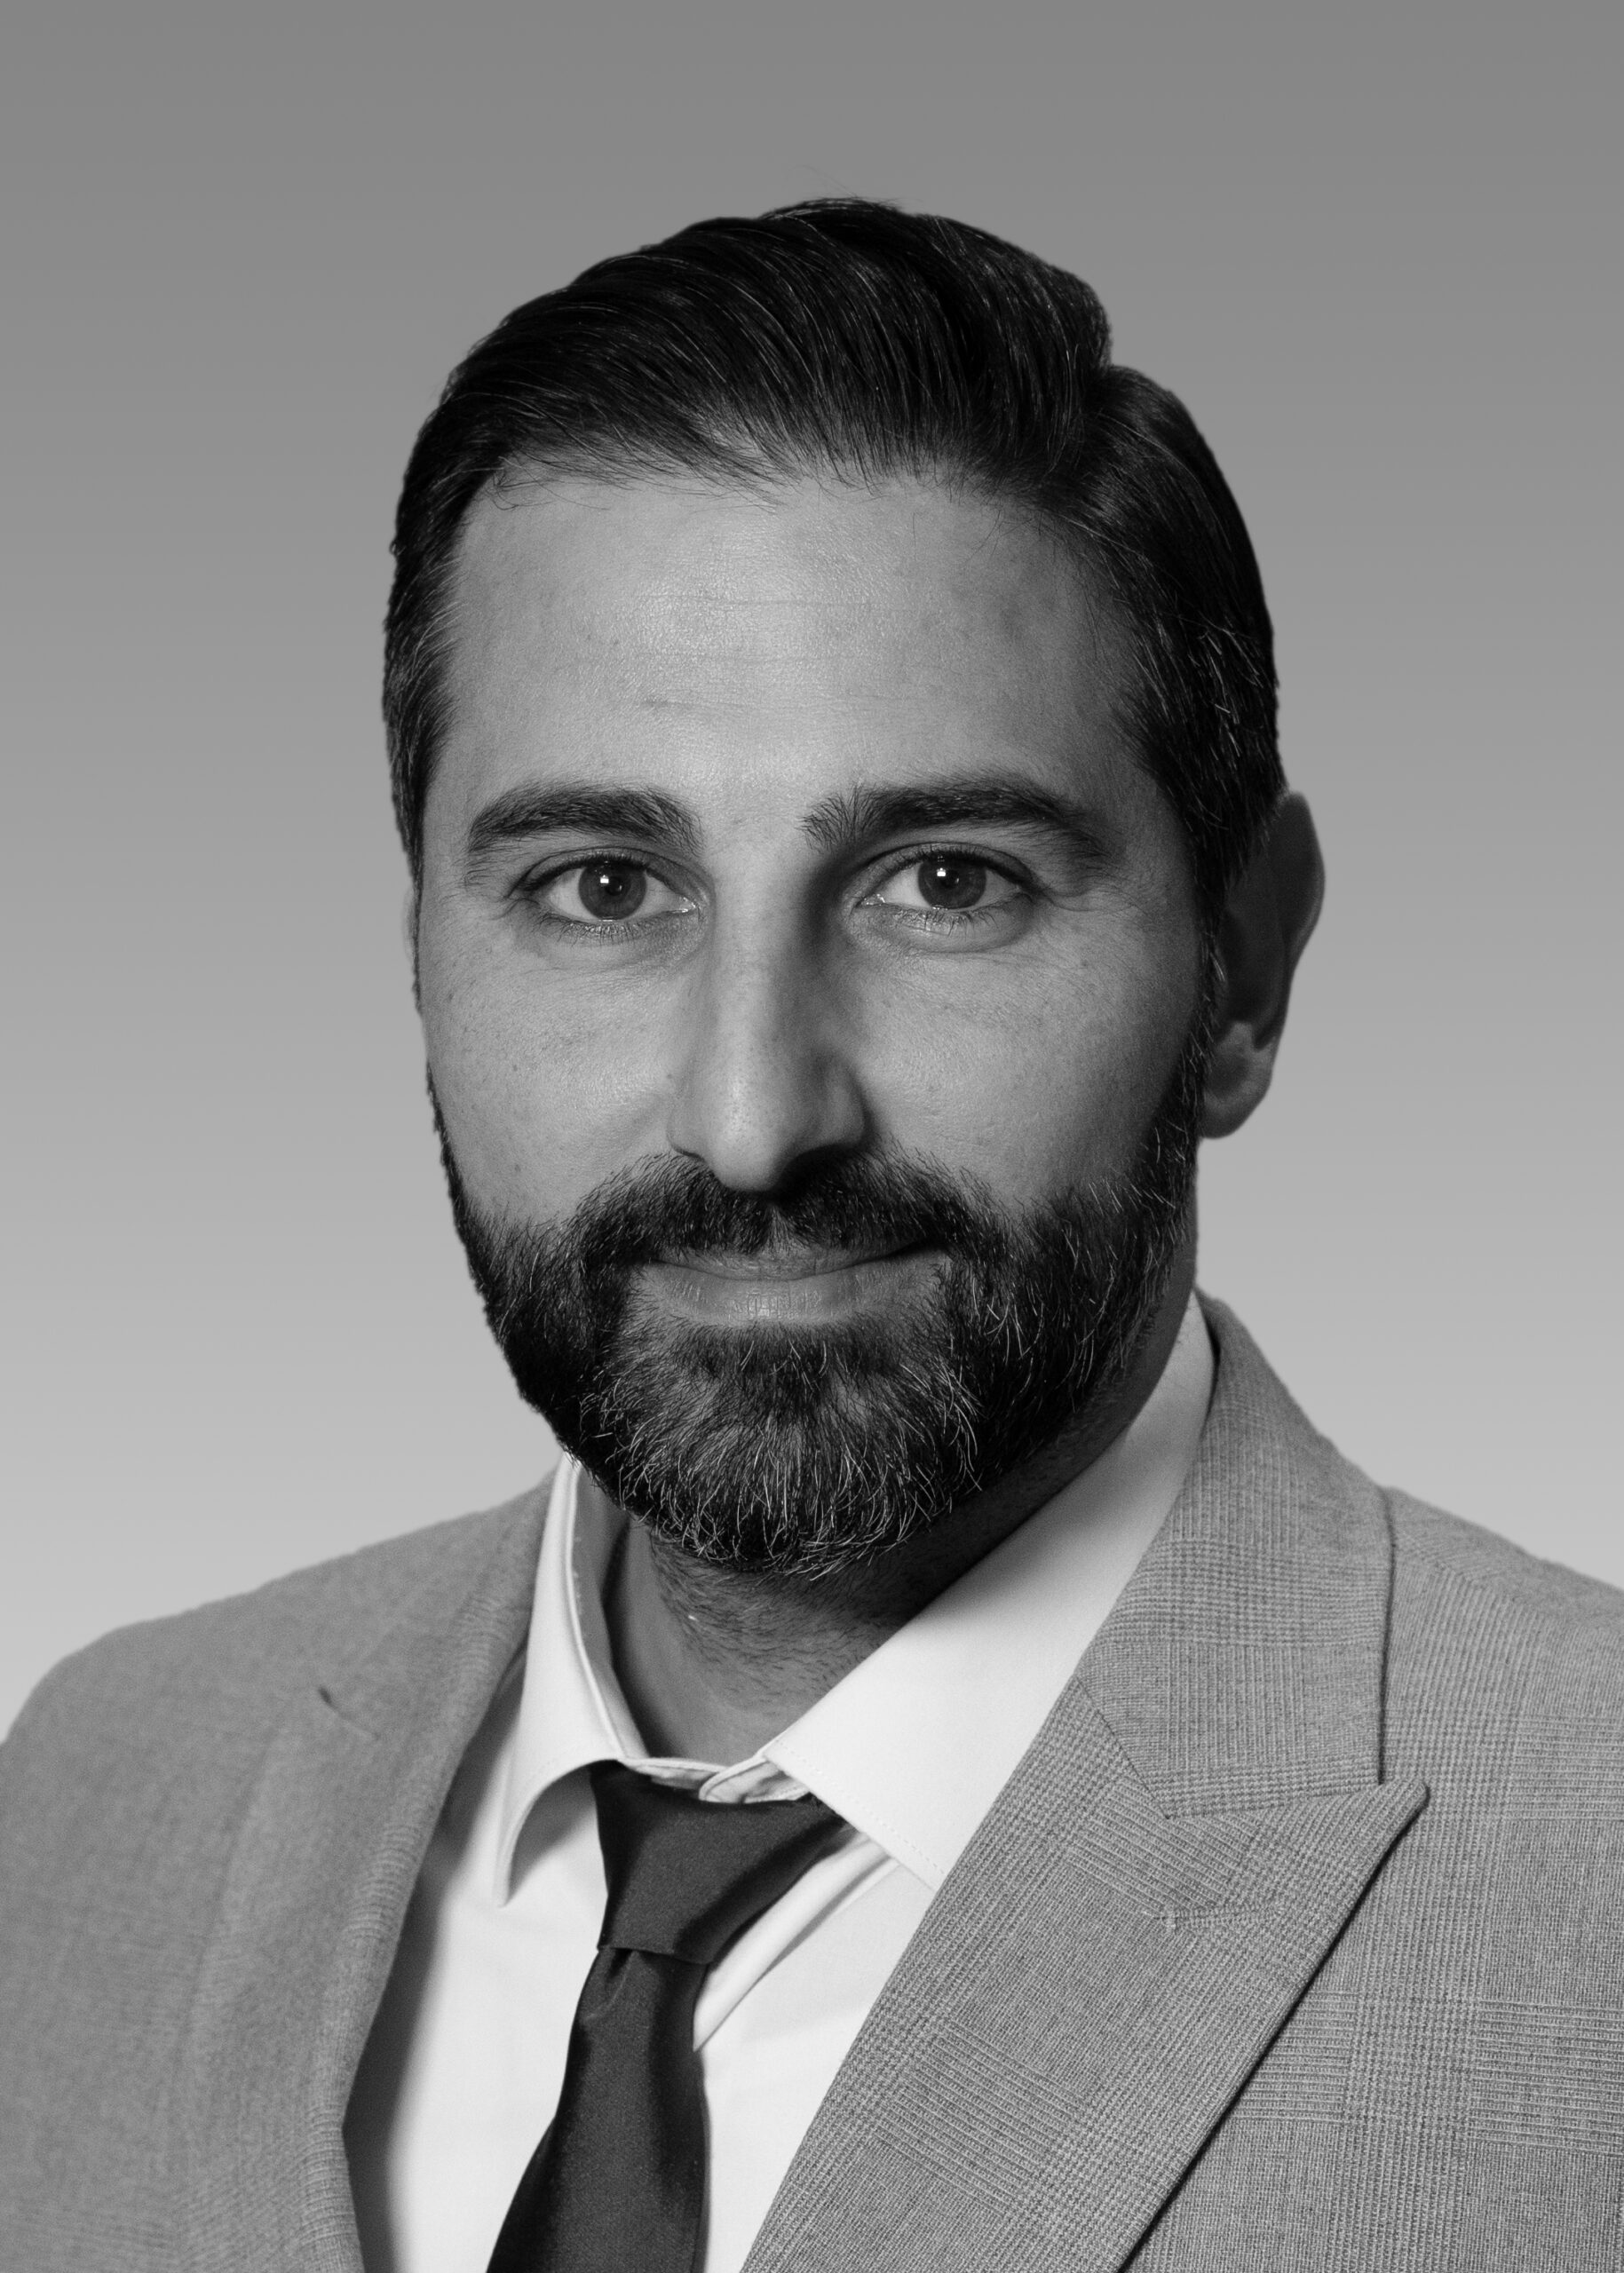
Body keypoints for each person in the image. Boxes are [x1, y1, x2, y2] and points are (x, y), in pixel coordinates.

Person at [3, 200, 1621, 2273]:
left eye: (948, 881)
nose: (756, 1113)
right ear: (418, 944)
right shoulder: (96, 1786)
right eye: (601, 886)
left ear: (1243, 969)